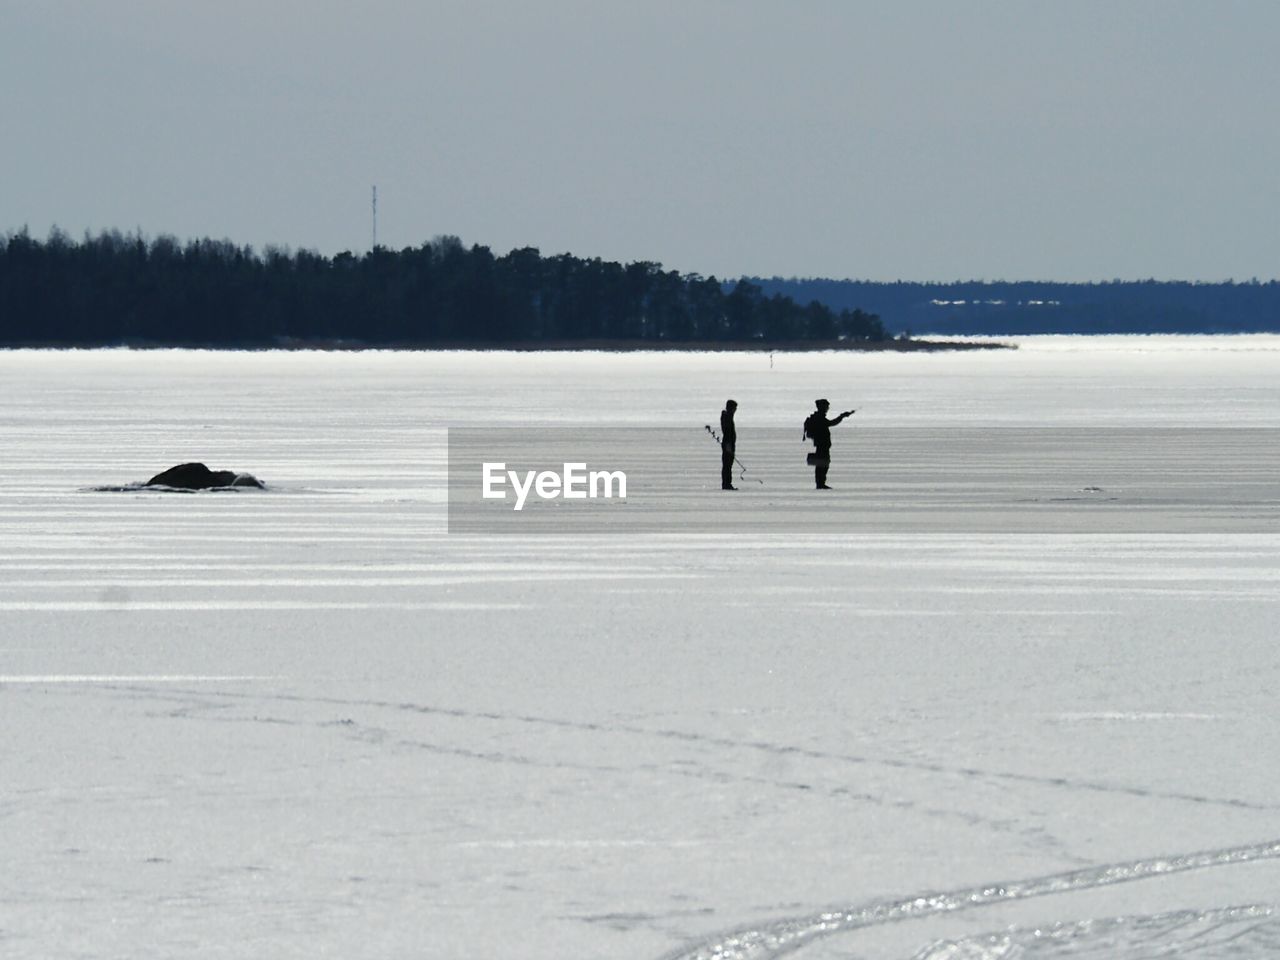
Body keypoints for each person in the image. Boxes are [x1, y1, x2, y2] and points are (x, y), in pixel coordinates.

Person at [803, 398, 855, 489]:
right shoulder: (819, 418)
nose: (828, 408)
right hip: (822, 445)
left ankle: (820, 483)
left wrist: (842, 416)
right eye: (826, 406)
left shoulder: (818, 417)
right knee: (822, 464)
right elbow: (831, 423)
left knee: (822, 463)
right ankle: (820, 484)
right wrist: (841, 416)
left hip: (822, 444)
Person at [720, 399, 738, 490]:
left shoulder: (728, 416)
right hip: (728, 444)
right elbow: (727, 433)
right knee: (727, 465)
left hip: (729, 444)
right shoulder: (727, 417)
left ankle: (727, 483)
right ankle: (726, 484)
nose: (736, 410)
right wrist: (728, 446)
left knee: (728, 465)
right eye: (735, 408)